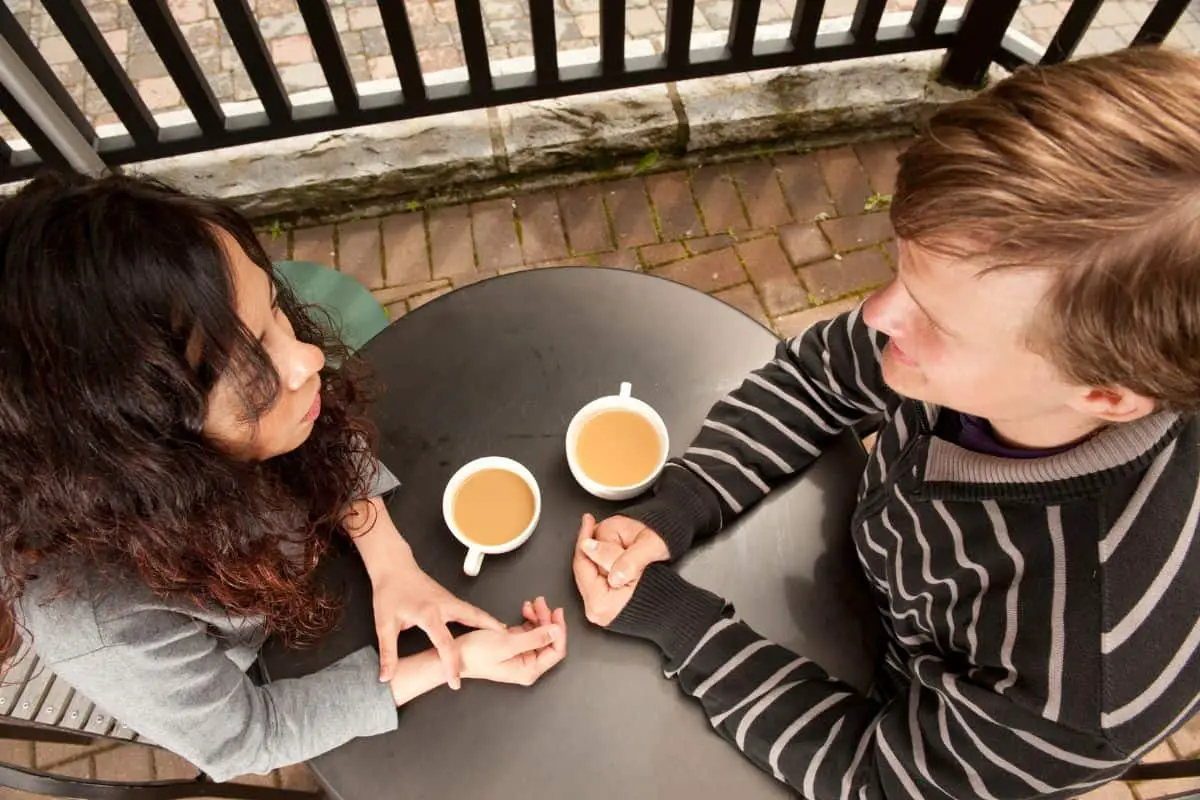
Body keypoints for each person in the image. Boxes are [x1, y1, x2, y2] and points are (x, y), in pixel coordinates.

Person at [572, 46, 1200, 799]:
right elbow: (817, 375)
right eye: (901, 270)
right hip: (873, 582)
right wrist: (686, 499)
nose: (877, 315)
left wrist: (682, 622)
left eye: (935, 318)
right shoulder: (1006, 341)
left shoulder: (1082, 684)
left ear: (1106, 393)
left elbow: (880, 779)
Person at [0, 173, 567, 782]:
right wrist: (450, 662)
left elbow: (320, 436)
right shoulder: (103, 622)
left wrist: (390, 557)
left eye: (274, 310)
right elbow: (248, 736)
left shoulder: (246, 408)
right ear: (147, 458)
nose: (309, 360)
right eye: (252, 375)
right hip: (271, 657)